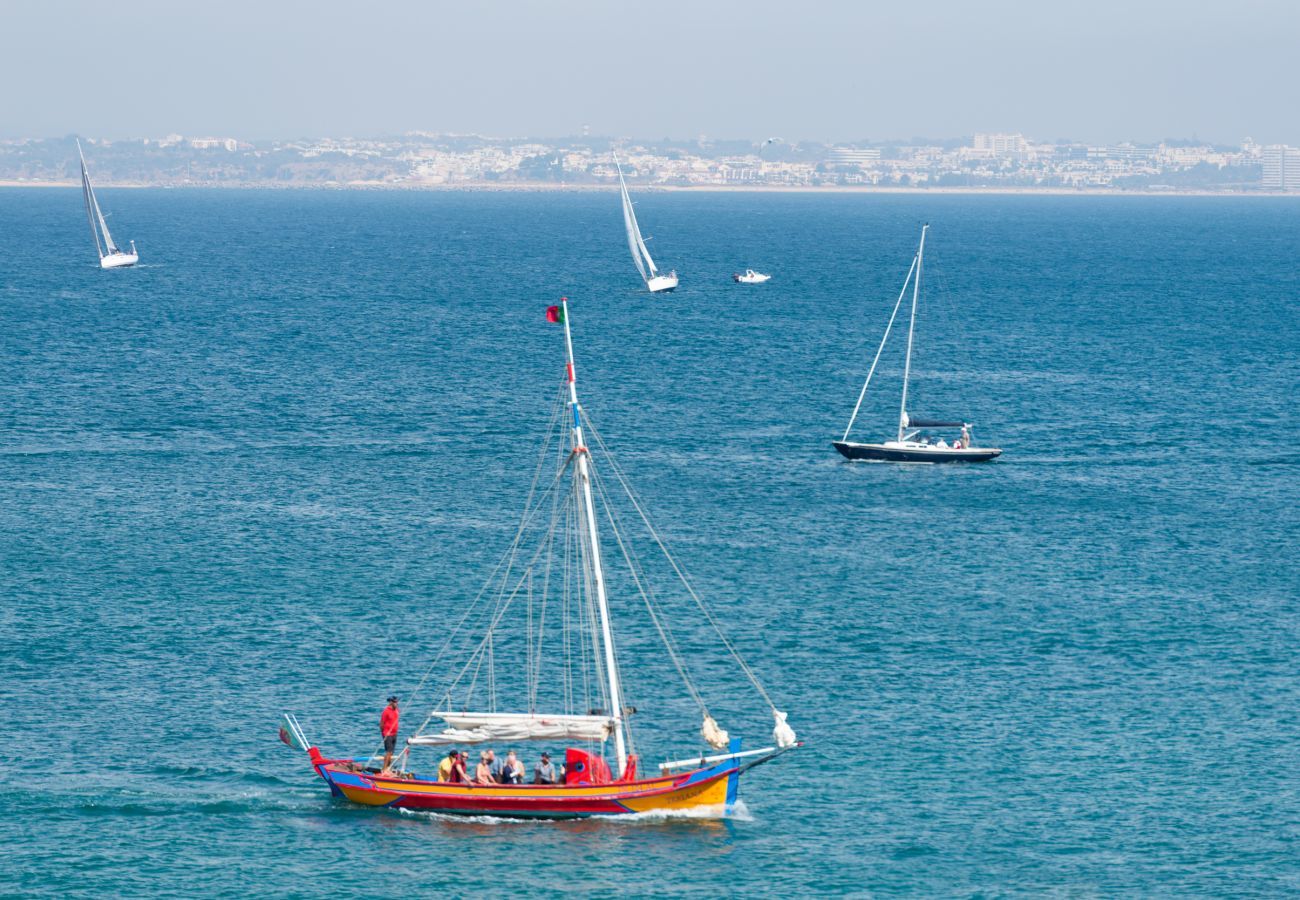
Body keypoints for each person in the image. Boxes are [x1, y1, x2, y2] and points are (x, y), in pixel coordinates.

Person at [380, 696, 400, 772]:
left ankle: (389, 768)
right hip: (387, 734)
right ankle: (384, 769)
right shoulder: (386, 711)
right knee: (388, 752)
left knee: (391, 752)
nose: (397, 703)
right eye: (395, 702)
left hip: (394, 734)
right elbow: (381, 724)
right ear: (391, 702)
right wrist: (384, 734)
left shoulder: (397, 710)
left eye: (397, 702)